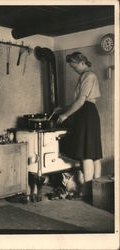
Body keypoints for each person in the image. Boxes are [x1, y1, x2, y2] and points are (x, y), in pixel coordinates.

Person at [57, 51, 102, 201]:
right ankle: (97, 191)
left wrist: (65, 115)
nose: (73, 69)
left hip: (86, 114)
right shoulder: (85, 76)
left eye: (73, 65)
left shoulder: (89, 76)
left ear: (81, 62)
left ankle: (88, 192)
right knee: (93, 153)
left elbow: (81, 102)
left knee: (87, 153)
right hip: (88, 114)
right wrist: (63, 109)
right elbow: (78, 102)